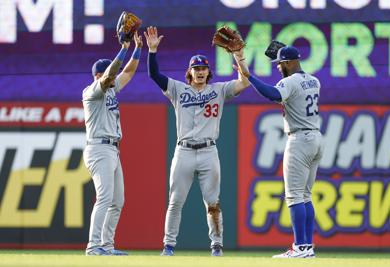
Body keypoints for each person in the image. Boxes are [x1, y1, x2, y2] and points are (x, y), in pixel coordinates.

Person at [144, 26, 249, 256]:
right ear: (189, 72)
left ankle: (217, 246)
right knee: (175, 201)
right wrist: (152, 51)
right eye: (196, 68)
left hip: (209, 151)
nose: (200, 72)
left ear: (208, 72)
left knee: (213, 202)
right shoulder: (177, 89)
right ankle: (168, 246)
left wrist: (239, 58)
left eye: (203, 68)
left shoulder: (219, 90)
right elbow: (154, 75)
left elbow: (244, 83)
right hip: (184, 151)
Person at [235, 45, 324, 258]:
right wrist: (284, 55)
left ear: (288, 63)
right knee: (305, 195)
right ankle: (307, 247)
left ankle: (300, 247)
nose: (278, 68)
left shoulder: (290, 81)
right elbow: (289, 84)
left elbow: (273, 94)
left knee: (294, 196)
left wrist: (249, 76)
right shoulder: (314, 80)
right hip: (316, 137)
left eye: (279, 64)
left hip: (299, 139)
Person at [82, 32, 143, 256]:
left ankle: (107, 245)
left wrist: (137, 48)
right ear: (98, 74)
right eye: (110, 72)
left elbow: (128, 71)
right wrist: (123, 48)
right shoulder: (92, 92)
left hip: (112, 149)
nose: (115, 75)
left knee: (118, 200)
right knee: (105, 197)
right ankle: (93, 245)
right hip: (98, 148)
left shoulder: (110, 89)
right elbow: (110, 75)